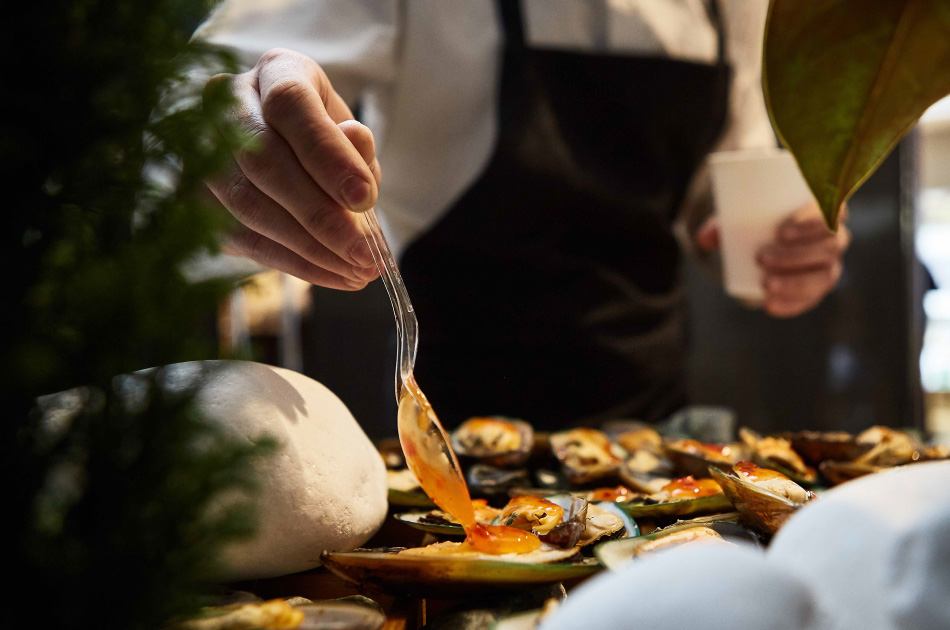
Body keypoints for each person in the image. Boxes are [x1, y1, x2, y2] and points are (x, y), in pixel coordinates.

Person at [196, 0, 850, 426]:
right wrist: (218, 128)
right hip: (449, 433)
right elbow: (183, 92)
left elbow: (721, 191)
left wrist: (779, 248)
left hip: (650, 436)